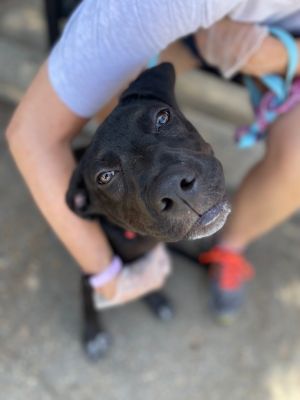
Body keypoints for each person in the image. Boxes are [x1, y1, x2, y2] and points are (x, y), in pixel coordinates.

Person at [5, 0, 300, 316]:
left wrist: (288, 55)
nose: (175, 186)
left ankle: (230, 246)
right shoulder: (153, 6)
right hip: (185, 27)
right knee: (114, 101)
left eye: (162, 118)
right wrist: (105, 274)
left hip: (278, 44)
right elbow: (31, 135)